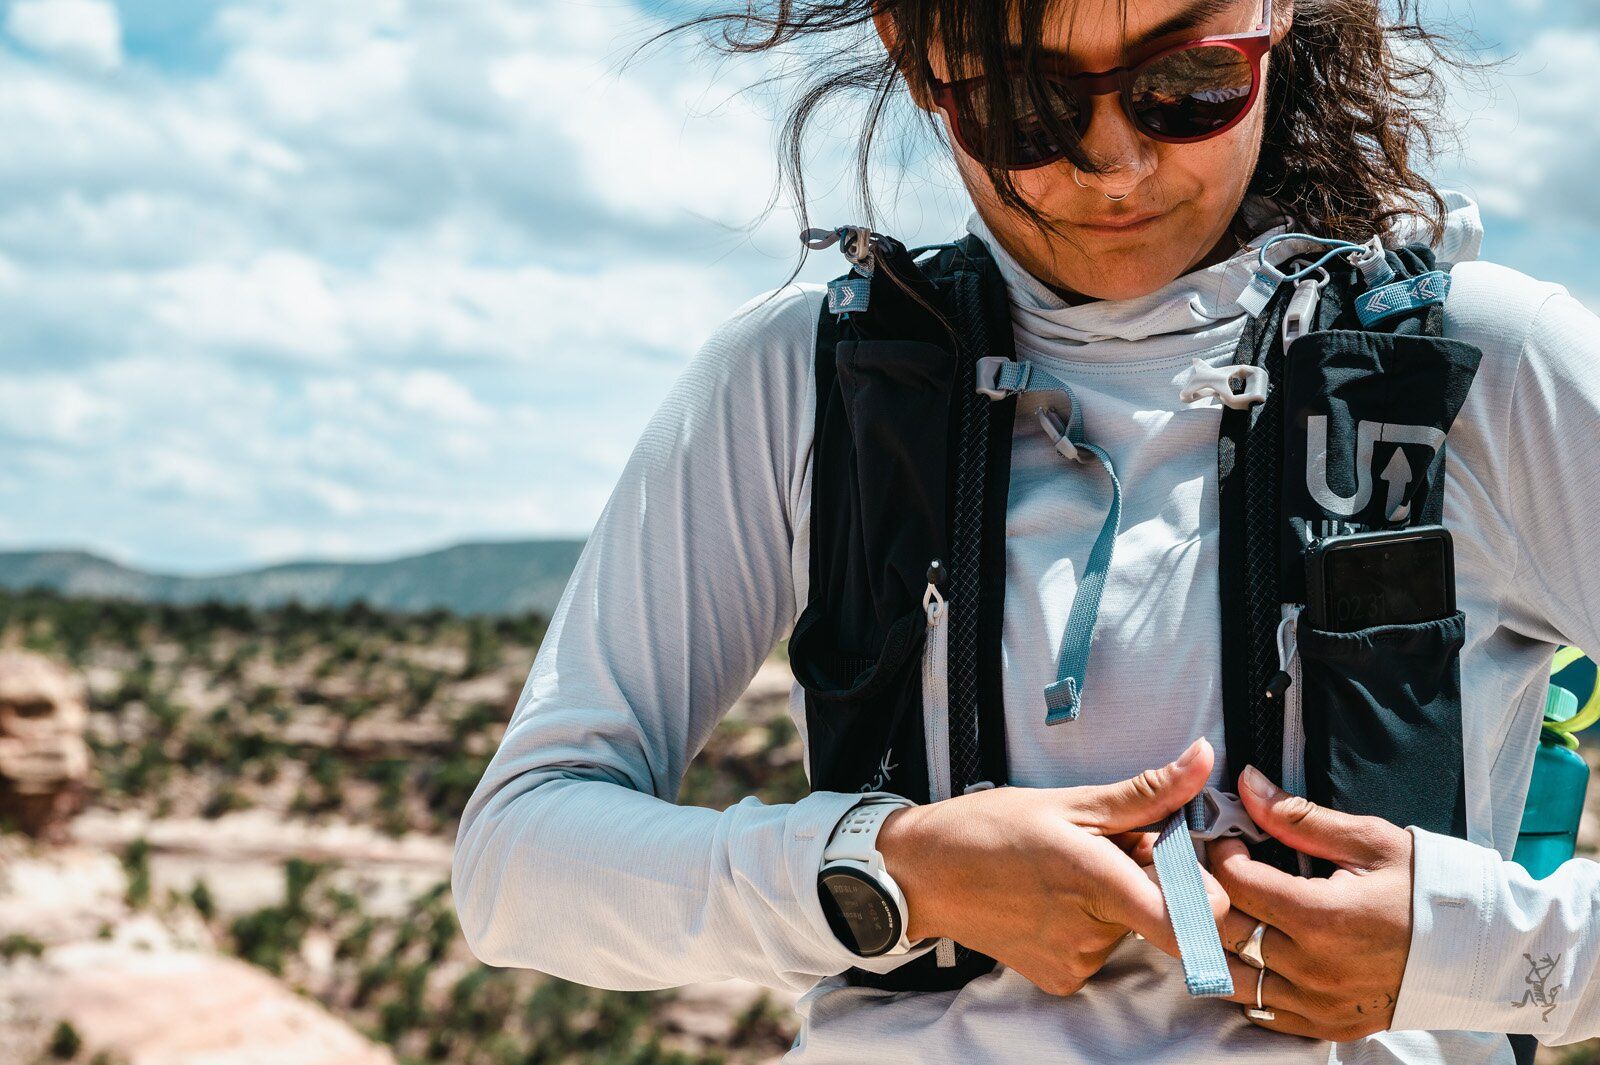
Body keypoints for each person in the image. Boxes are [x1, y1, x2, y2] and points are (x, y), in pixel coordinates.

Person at [452, 0, 1600, 1061]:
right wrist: (892, 874)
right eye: (1025, 106)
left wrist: (1466, 951)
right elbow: (519, 863)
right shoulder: (803, 379)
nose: (1115, 165)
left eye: (1189, 83)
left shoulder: (1484, 368)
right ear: (914, 55)